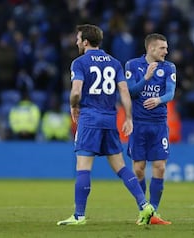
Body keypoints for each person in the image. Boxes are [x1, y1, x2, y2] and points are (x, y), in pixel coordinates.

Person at [57, 24, 154, 226]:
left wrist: (74, 106)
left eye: (78, 38)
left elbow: (76, 91)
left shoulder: (79, 63)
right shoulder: (114, 63)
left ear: (85, 41)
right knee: (121, 167)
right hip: (110, 119)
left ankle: (79, 216)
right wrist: (128, 117)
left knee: (83, 168)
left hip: (90, 118)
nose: (76, 41)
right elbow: (124, 92)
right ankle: (145, 205)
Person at [125, 33, 176, 225]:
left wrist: (159, 100)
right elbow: (131, 92)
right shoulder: (132, 65)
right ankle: (143, 209)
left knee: (160, 167)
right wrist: (146, 78)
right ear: (151, 48)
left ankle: (153, 212)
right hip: (138, 123)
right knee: (138, 169)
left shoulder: (169, 67)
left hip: (159, 123)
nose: (166, 51)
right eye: (163, 48)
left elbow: (170, 92)